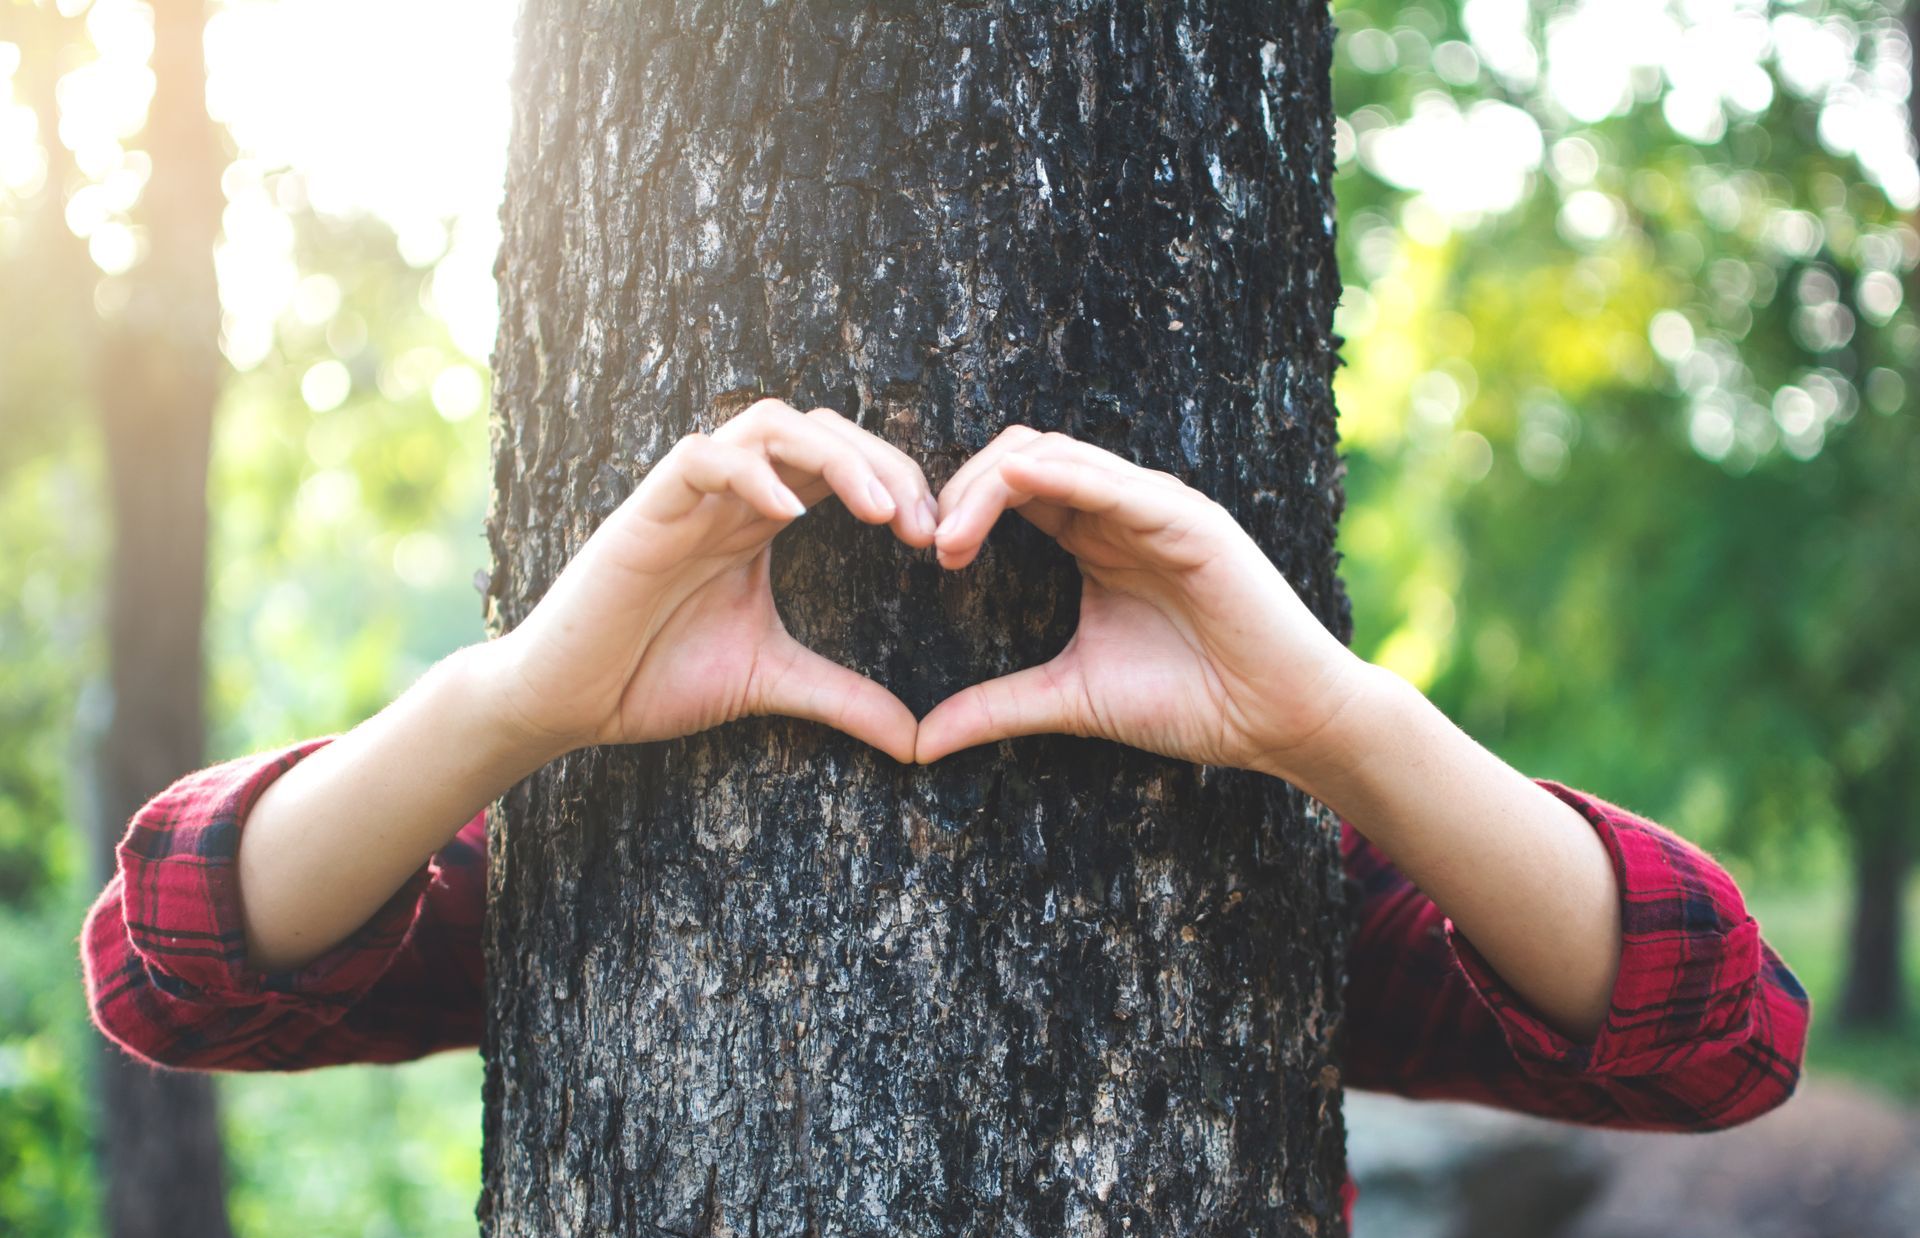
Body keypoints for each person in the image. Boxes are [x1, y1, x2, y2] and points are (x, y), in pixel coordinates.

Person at [82, 401, 1806, 1165]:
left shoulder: (1267, 897)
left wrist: (1334, 728)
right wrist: (522, 699)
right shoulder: (594, 878)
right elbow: (173, 961)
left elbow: (1725, 1032)